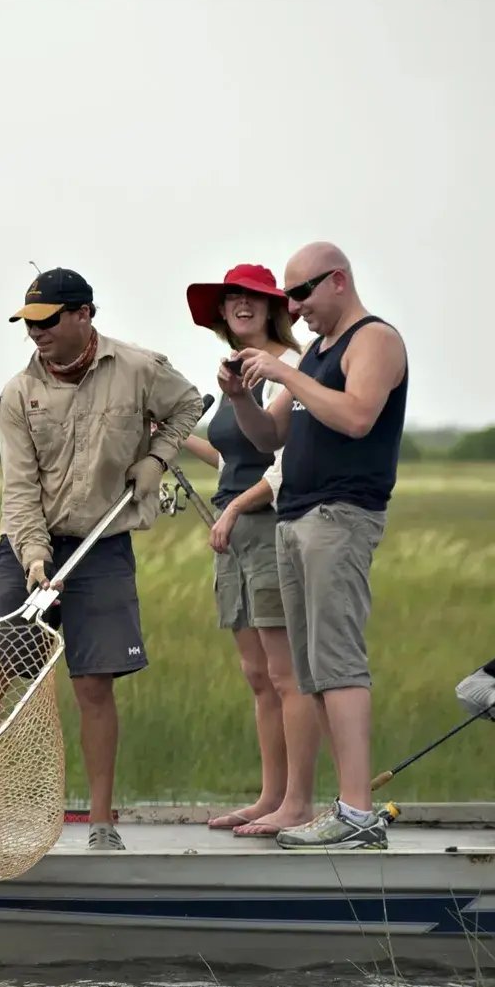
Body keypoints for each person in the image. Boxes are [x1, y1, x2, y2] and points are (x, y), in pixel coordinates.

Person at [0, 267, 204, 851]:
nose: (36, 334)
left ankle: (101, 824)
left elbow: (189, 404)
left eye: (47, 322)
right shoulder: (17, 394)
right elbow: (19, 490)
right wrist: (33, 560)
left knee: (94, 684)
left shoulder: (139, 368)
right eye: (28, 324)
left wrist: (156, 460)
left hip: (103, 542)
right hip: (28, 544)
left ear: (84, 315)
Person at [224, 241, 409, 851]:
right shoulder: (318, 353)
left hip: (341, 514)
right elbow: (270, 433)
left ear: (338, 281)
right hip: (295, 518)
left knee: (338, 661)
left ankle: (358, 813)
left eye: (301, 293)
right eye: (289, 296)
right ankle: (345, 806)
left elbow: (358, 416)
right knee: (311, 672)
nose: (294, 307)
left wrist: (285, 371)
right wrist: (241, 397)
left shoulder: (373, 340)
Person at [176, 264, 317, 839]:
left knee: (287, 676)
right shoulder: (238, 370)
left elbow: (283, 459)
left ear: (273, 306)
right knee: (257, 675)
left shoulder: (294, 364)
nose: (240, 304)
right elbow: (234, 457)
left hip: (268, 527)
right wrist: (169, 434)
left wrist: (233, 509)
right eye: (231, 296)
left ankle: (297, 803)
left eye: (253, 296)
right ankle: (269, 797)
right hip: (233, 534)